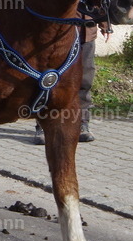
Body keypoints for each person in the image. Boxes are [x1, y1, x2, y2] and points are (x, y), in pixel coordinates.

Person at [35, 15, 104, 144]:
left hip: (86, 32)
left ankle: (82, 124)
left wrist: (105, 24)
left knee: (85, 79)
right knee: (50, 80)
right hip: (60, 34)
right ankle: (42, 126)